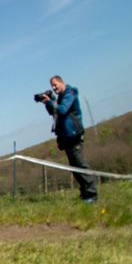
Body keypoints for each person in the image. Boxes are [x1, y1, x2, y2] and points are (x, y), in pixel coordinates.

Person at [41, 75, 97, 203]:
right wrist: (47, 103)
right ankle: (84, 193)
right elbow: (54, 113)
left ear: (62, 82)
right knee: (75, 169)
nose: (54, 88)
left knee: (81, 166)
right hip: (66, 137)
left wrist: (51, 102)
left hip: (74, 135)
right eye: (52, 86)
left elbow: (62, 110)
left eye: (55, 85)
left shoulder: (70, 93)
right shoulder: (60, 98)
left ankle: (92, 195)